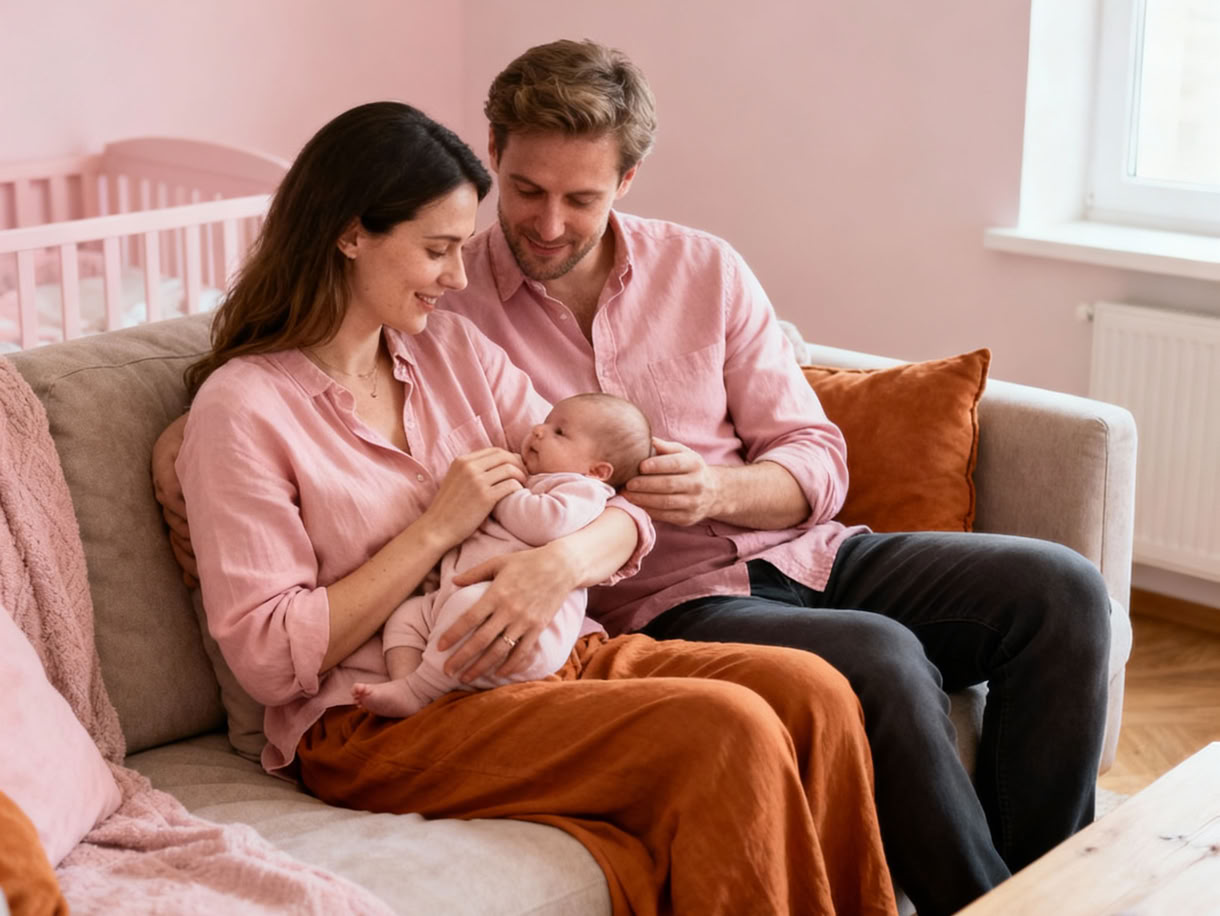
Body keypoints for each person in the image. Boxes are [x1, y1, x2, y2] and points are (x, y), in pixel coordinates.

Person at [153, 40, 1111, 914]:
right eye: (443, 247)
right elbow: (273, 659)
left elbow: (610, 498)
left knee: (895, 662)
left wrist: (562, 560)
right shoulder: (254, 406)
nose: (460, 275)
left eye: (580, 198)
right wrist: (437, 531)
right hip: (380, 709)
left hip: (590, 626)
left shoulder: (445, 353)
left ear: (627, 179)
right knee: (754, 718)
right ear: (351, 235)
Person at [352, 392, 653, 717]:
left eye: (559, 433)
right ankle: (406, 682)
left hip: (524, 629)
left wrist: (503, 490)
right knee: (407, 617)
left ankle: (420, 689)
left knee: (469, 609)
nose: (538, 430)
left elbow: (545, 524)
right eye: (545, 422)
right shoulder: (540, 479)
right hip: (455, 602)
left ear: (598, 470)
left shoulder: (583, 490)